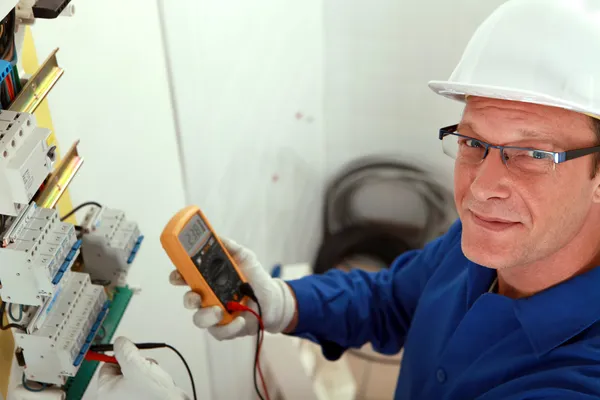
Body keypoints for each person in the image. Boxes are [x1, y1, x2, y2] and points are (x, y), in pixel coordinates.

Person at [98, 0, 600, 398]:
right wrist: (284, 303)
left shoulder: (580, 379)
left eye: (533, 153)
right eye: (472, 143)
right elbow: (391, 301)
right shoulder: (477, 244)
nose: (482, 188)